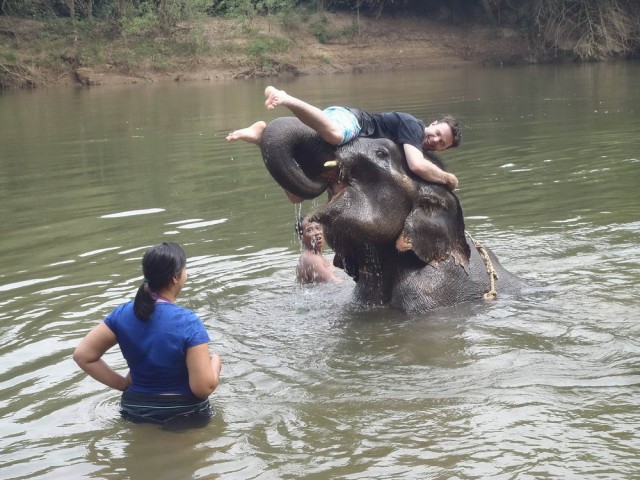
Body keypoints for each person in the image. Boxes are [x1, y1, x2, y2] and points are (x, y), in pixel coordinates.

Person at [73, 242, 222, 426]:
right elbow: (203, 387)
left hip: (134, 409)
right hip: (184, 413)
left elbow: (83, 355)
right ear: (176, 278)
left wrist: (122, 384)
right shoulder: (188, 321)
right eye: (185, 268)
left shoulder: (121, 314)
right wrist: (215, 361)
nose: (187, 273)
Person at [227, 85, 462, 192]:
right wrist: (448, 178)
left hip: (351, 147)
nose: (434, 141)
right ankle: (287, 98)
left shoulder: (415, 144)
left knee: (296, 195)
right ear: (432, 124)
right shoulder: (414, 127)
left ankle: (261, 137)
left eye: (441, 144)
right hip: (352, 122)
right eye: (438, 133)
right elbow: (417, 165)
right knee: (335, 135)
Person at [295, 216, 342, 284]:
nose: (317, 233)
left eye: (318, 228)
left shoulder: (317, 256)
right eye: (309, 230)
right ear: (301, 237)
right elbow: (335, 283)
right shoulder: (311, 259)